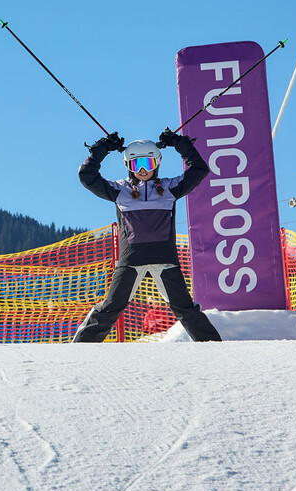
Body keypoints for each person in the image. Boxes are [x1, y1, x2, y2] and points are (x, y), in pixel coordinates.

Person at [72, 128, 221, 343]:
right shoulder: (119, 190)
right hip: (131, 260)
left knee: (184, 308)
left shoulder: (171, 187)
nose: (142, 169)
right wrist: (101, 149)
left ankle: (214, 347)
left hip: (165, 260)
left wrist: (180, 144)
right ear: (128, 166)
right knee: (112, 307)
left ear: (157, 164)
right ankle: (79, 348)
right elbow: (87, 176)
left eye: (148, 164)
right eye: (136, 164)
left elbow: (199, 170)